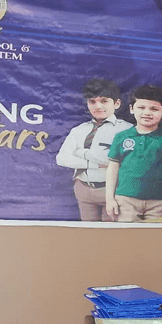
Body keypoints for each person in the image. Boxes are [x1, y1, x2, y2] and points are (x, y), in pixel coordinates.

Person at [56, 78, 132, 221]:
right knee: (89, 234)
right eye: (92, 102)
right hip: (84, 189)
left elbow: (124, 161)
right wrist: (95, 164)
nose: (98, 106)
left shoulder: (126, 130)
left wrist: (81, 153)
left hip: (113, 190)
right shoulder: (79, 130)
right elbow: (62, 158)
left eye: (104, 101)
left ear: (117, 103)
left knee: (108, 235)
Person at [105, 85, 162, 222]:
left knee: (155, 241)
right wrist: (109, 199)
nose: (147, 113)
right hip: (125, 200)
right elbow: (112, 169)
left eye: (154, 109)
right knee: (126, 239)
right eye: (141, 107)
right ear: (131, 109)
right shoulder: (121, 137)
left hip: (159, 203)